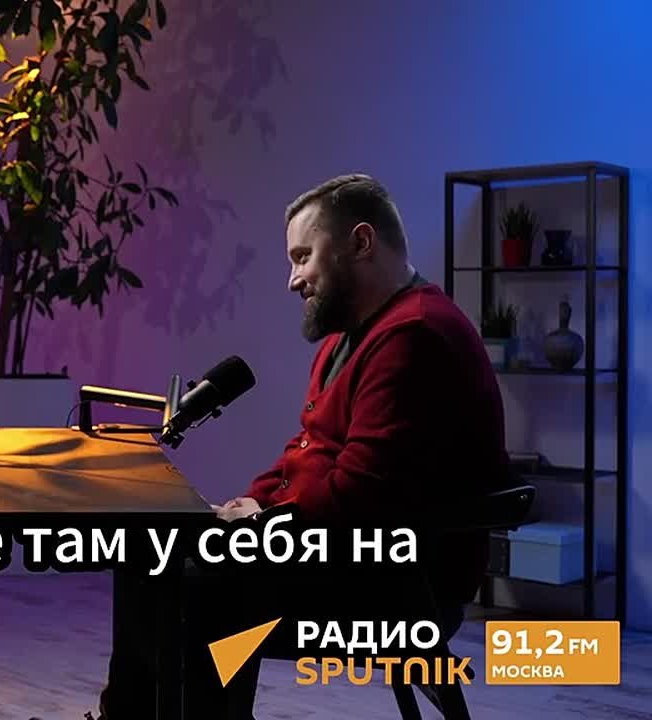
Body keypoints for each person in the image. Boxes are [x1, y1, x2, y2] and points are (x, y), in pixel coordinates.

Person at [98, 174, 510, 718]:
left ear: (360, 243)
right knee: (147, 559)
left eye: (302, 257)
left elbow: (361, 493)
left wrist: (264, 523)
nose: (293, 280)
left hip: (395, 586)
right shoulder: (352, 335)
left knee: (191, 587)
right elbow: (309, 449)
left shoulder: (414, 336)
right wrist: (255, 503)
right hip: (346, 556)